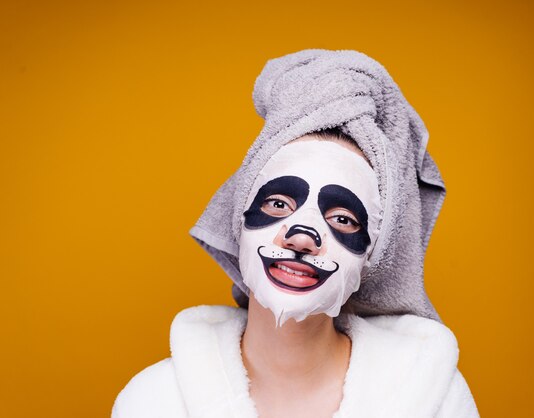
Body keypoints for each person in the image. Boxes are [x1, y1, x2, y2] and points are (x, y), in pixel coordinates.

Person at [112, 50, 480, 418]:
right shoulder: (151, 402)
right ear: (238, 223)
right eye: (278, 205)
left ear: (372, 254)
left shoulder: (438, 399)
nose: (302, 238)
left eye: (342, 219)